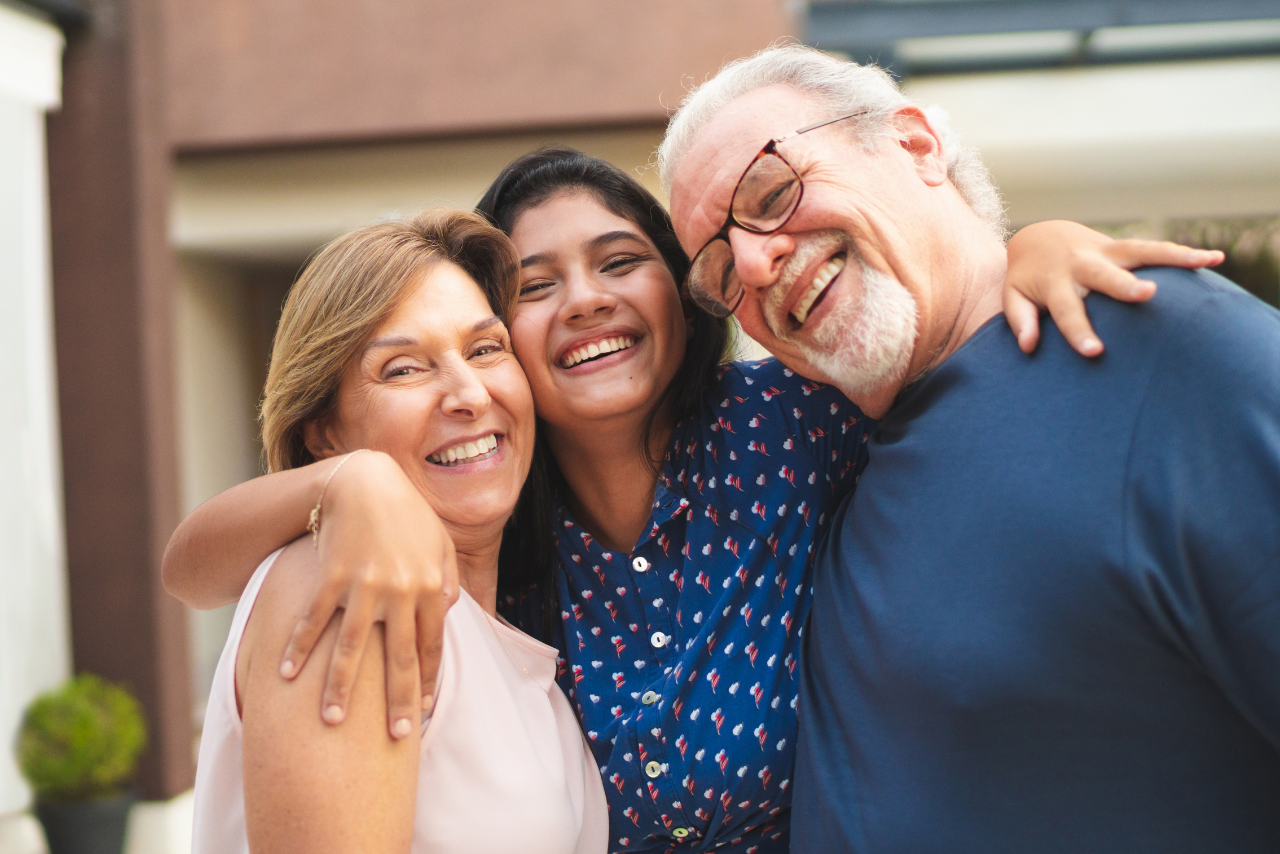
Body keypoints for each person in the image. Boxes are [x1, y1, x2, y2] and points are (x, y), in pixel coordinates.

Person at [165, 151, 1217, 852]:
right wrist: (344, 481)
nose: (584, 299)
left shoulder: (795, 418)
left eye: (620, 261)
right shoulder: (452, 557)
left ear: (685, 289)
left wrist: (1019, 251)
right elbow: (194, 569)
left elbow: (946, 356)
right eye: (531, 288)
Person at [659, 44, 1280, 853]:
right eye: (719, 272)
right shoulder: (817, 461)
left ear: (916, 144)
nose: (754, 260)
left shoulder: (1172, 354)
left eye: (773, 192)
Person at [190, 209, 607, 854]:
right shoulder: (342, 585)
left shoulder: (509, 643)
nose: (468, 393)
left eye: (486, 349)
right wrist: (347, 481)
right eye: (404, 369)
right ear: (325, 432)